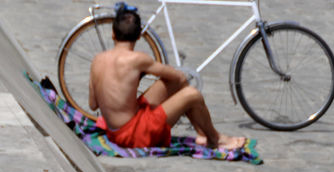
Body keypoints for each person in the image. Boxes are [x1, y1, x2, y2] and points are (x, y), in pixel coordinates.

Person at [88, 3, 246, 151]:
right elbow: (179, 76)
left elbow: (93, 104)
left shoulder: (97, 60)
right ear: (138, 37)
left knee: (171, 84)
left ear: (113, 34)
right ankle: (215, 138)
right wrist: (143, 72)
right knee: (192, 94)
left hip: (114, 131)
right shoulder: (138, 59)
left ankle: (202, 134)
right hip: (133, 136)